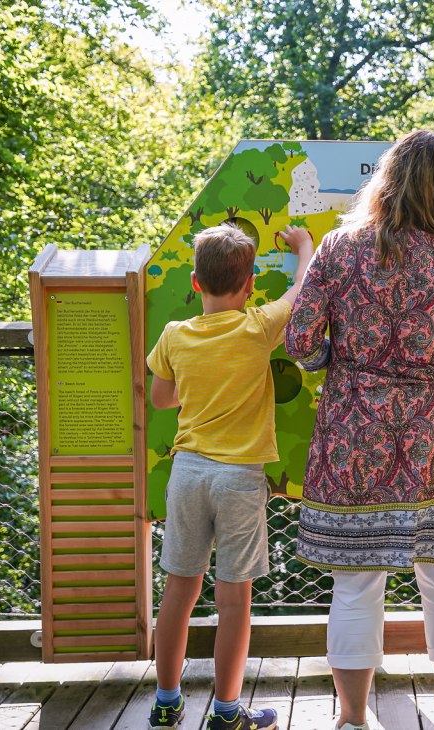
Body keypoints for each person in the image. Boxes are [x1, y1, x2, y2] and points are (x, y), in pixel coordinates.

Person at [284, 129, 434, 730]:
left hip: (354, 429)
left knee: (355, 584)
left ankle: (352, 720)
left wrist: (341, 364)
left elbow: (299, 343)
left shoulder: (339, 248)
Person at [145, 222, 315, 730]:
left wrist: (198, 389)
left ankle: (167, 700)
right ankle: (225, 711)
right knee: (234, 598)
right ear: (247, 287)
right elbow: (301, 291)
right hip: (240, 478)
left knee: (179, 589)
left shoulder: (175, 335)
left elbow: (160, 399)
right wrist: (304, 246)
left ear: (195, 282)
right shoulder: (258, 327)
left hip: (189, 472)